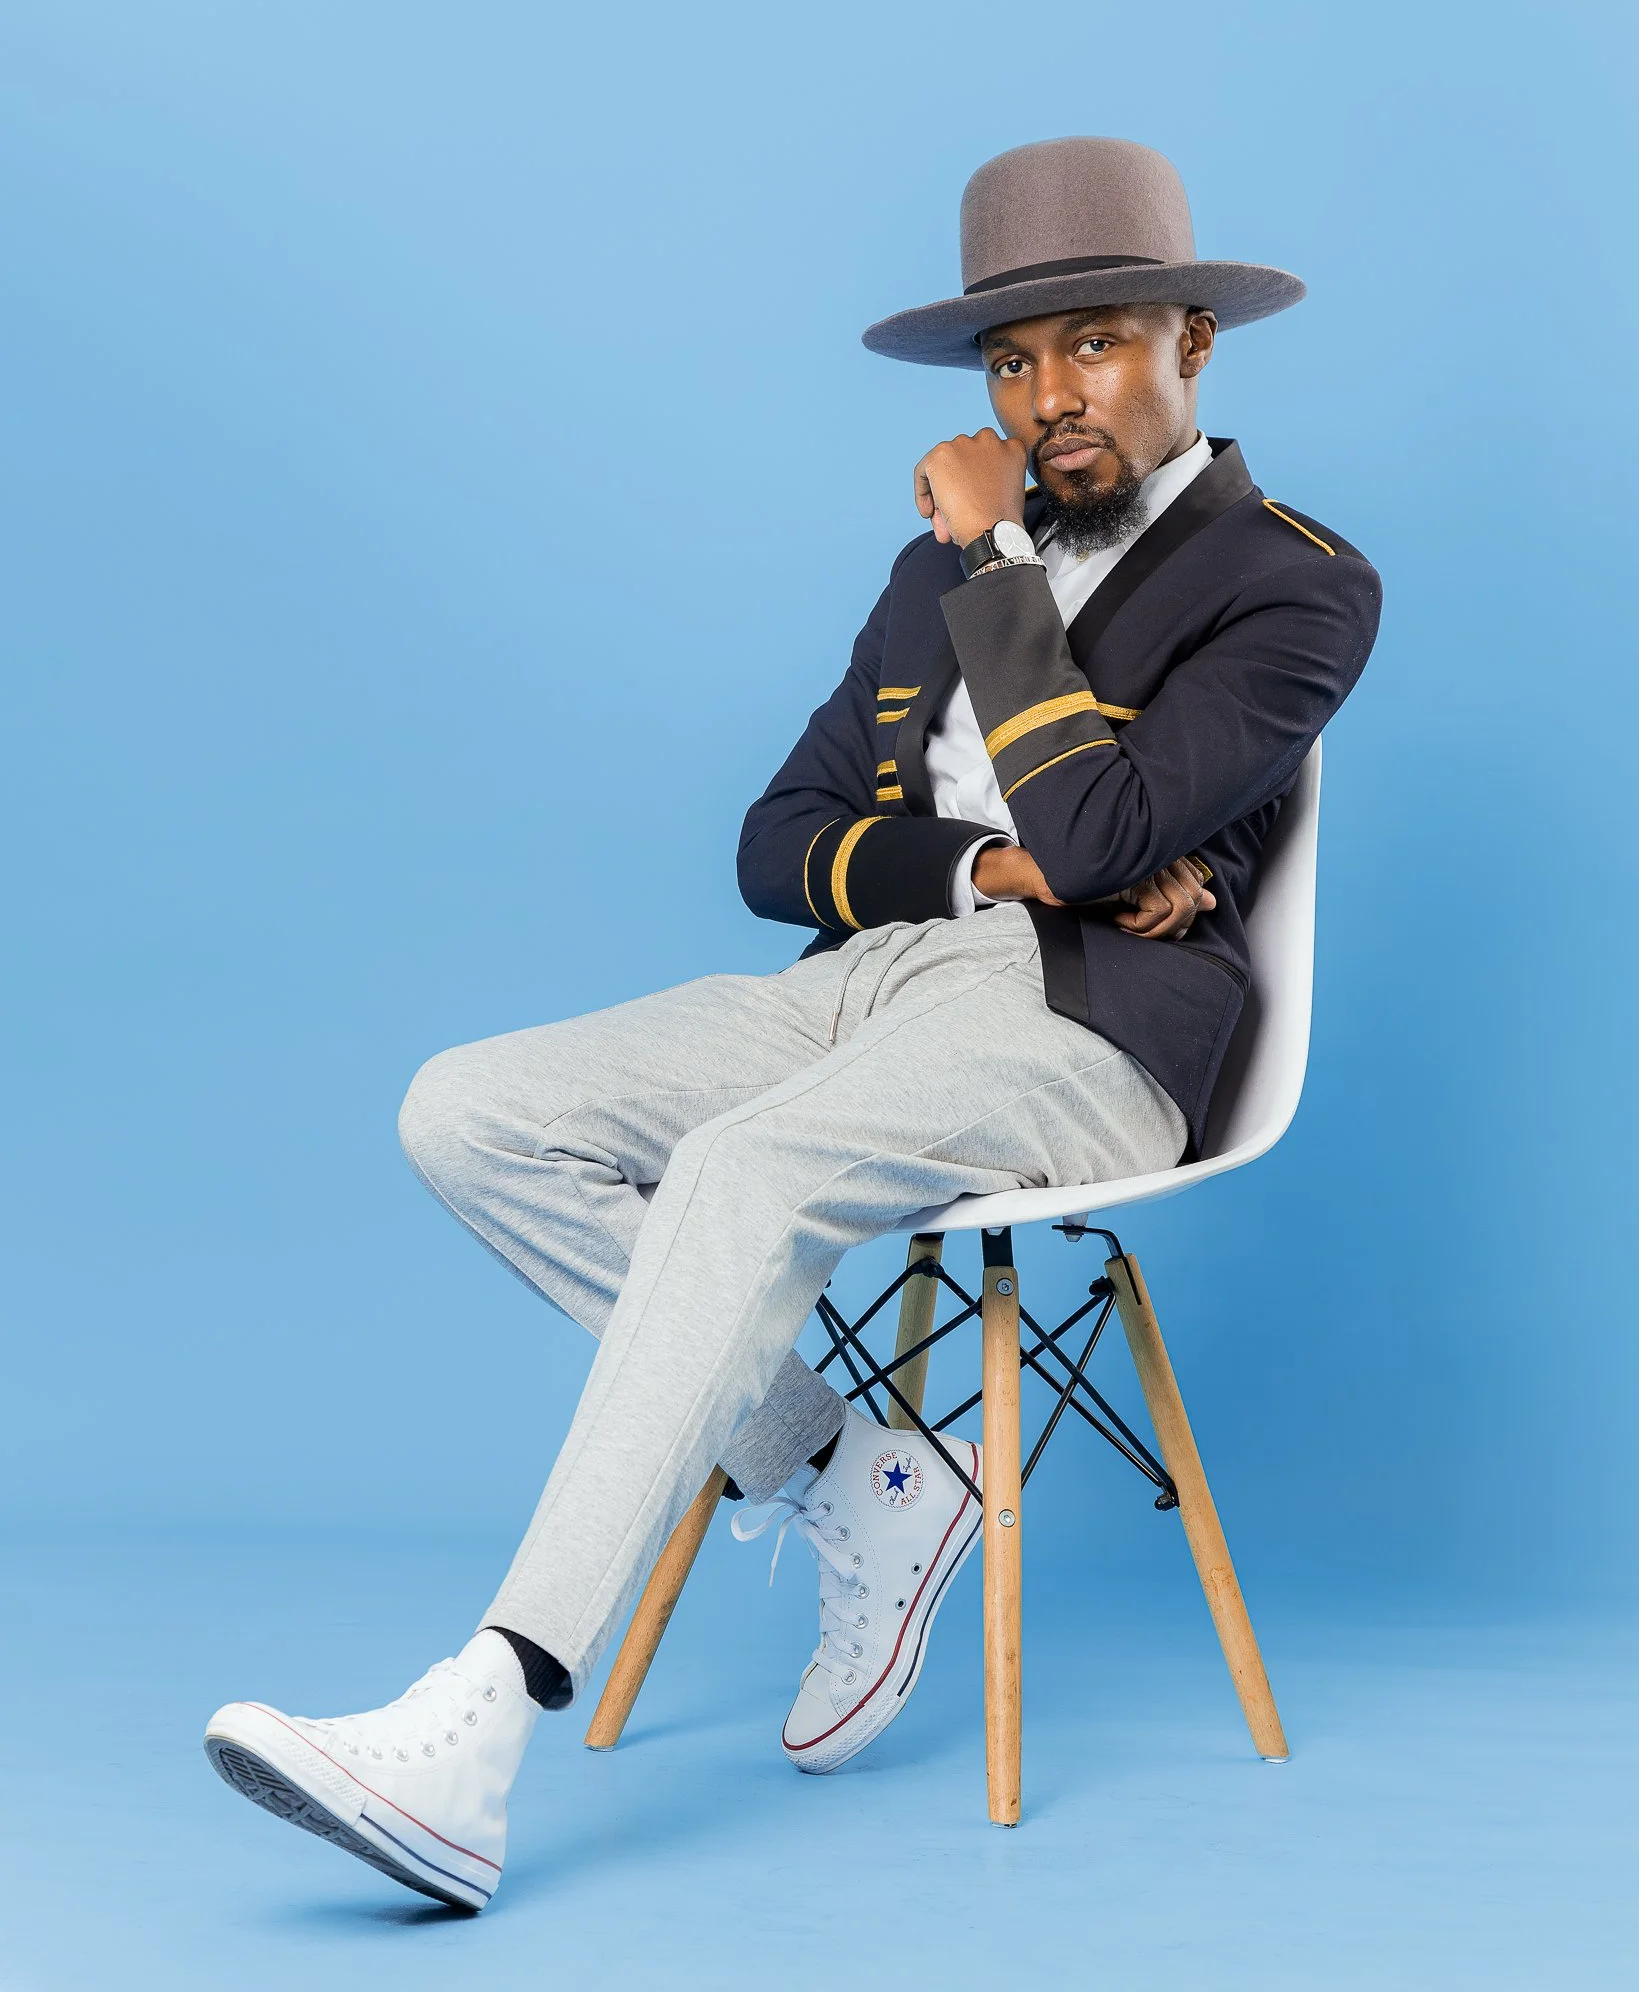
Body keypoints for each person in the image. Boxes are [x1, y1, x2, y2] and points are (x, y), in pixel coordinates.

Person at [203, 137, 1380, 1910]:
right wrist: (991, 866)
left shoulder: (1292, 581)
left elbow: (1110, 842)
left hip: (1094, 1035)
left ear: (1189, 348)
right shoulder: (927, 580)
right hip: (864, 991)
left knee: (745, 1174)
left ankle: (477, 1723)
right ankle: (853, 1474)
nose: (1043, 395)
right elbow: (778, 847)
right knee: (469, 1110)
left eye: (1089, 345)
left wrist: (994, 579)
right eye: (1008, 360)